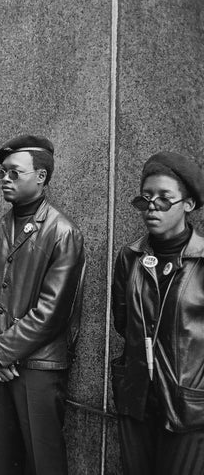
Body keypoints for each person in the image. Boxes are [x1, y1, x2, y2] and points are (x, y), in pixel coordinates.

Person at [0, 135, 86, 475]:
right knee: (0, 456)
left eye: (14, 173)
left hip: (38, 367)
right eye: (2, 173)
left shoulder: (63, 232)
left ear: (41, 177)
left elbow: (52, 314)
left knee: (43, 458)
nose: (6, 179)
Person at [112, 152, 204, 475]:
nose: (152, 207)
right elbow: (123, 322)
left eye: (164, 199)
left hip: (187, 407)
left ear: (188, 205)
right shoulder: (129, 257)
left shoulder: (202, 260)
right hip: (137, 399)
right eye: (146, 198)